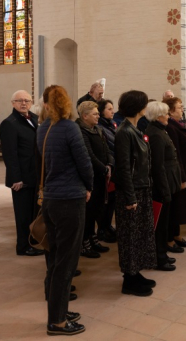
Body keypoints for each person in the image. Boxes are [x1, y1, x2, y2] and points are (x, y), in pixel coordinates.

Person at [38, 85, 93, 336]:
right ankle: (57, 322)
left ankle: (57, 310)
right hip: (70, 199)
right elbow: (84, 162)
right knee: (66, 262)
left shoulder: (42, 129)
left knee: (55, 259)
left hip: (50, 199)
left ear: (47, 104)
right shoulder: (70, 128)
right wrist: (89, 185)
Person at [114, 90, 157, 296]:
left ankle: (135, 273)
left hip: (141, 188)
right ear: (139, 106)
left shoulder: (134, 128)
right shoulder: (124, 132)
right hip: (131, 193)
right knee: (130, 236)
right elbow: (123, 168)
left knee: (140, 234)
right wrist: (130, 197)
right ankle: (128, 280)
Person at [0, 89, 44, 257]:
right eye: (19, 100)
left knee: (33, 212)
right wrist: (15, 178)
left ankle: (32, 241)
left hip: (35, 174)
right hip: (21, 178)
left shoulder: (34, 119)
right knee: (23, 214)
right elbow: (9, 155)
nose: (24, 103)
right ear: (13, 103)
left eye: (27, 100)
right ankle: (23, 246)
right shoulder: (9, 123)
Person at [145, 101, 182, 272]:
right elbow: (157, 165)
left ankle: (162, 254)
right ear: (159, 116)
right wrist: (164, 189)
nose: (168, 116)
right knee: (160, 226)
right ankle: (159, 258)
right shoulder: (155, 134)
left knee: (165, 223)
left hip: (167, 180)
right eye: (166, 114)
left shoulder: (160, 130)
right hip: (161, 184)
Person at [76, 101, 113, 259]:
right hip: (90, 176)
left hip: (100, 175)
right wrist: (104, 168)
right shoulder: (80, 130)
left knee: (96, 209)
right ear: (85, 116)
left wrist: (110, 163)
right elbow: (88, 155)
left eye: (98, 113)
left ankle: (93, 238)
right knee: (88, 212)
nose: (98, 116)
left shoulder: (97, 128)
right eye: (95, 114)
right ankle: (84, 243)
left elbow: (106, 149)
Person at [163, 97, 186, 252]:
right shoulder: (170, 127)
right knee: (176, 206)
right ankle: (169, 239)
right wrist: (182, 176)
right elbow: (176, 155)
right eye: (179, 107)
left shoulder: (179, 124)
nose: (182, 109)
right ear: (170, 111)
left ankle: (176, 235)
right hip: (179, 172)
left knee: (181, 206)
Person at [96, 99, 118, 243]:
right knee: (105, 200)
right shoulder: (100, 127)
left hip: (114, 166)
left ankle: (108, 225)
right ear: (101, 111)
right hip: (107, 167)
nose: (112, 111)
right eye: (109, 109)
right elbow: (109, 147)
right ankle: (102, 229)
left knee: (112, 200)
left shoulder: (111, 125)